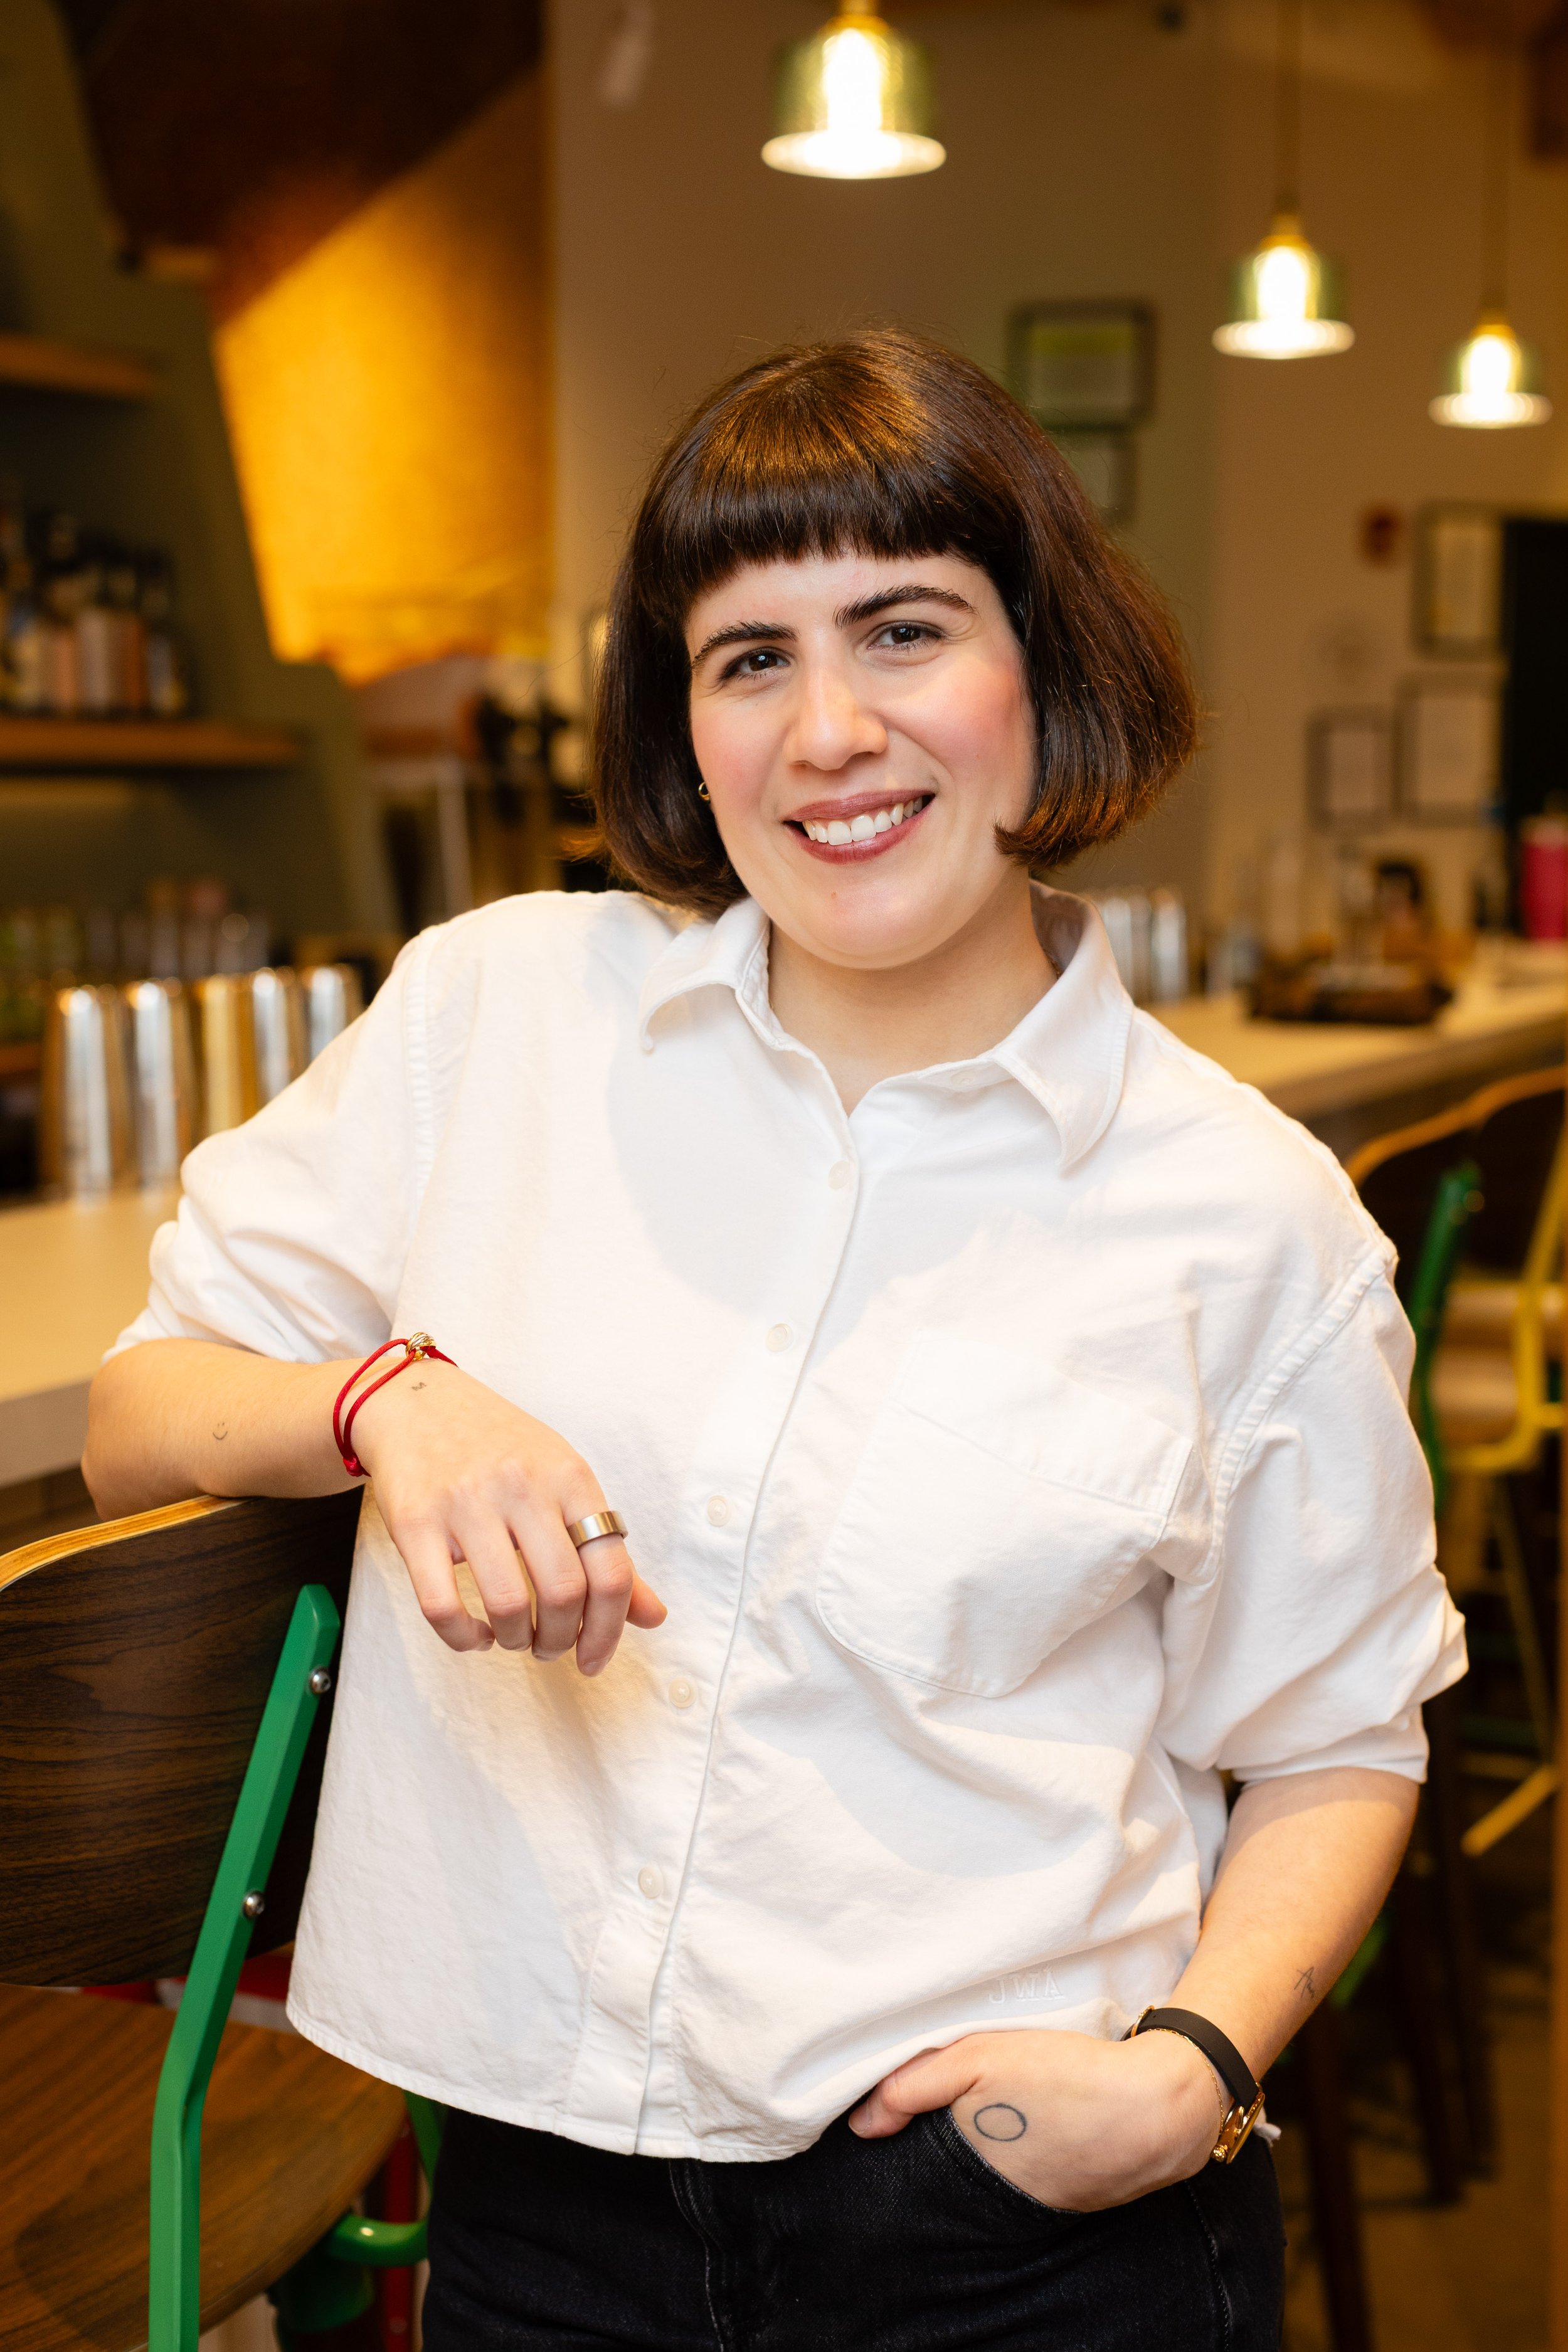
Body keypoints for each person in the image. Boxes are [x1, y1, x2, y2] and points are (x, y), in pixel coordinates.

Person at [85, 331, 1463, 2352]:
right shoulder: (500, 1020)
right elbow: (139, 1412)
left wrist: (1186, 2072)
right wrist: (393, 1401)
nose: (827, 728)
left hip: (1011, 2228)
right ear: (683, 722)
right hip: (536, 2208)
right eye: (748, 659)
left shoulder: (1242, 1213)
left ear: (1040, 672)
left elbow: (1335, 1736)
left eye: (902, 630)